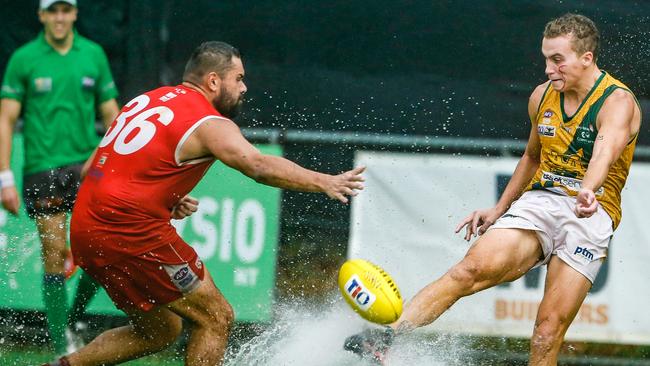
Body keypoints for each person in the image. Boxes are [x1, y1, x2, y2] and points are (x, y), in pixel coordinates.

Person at [41, 41, 365, 366]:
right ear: (213, 81)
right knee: (216, 317)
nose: (244, 87)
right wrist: (326, 181)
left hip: (86, 230)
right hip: (128, 232)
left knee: (161, 330)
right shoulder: (208, 121)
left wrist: (161, 194)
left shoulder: (145, 100)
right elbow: (257, 165)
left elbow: (92, 169)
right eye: (238, 78)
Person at [344, 13, 641, 366]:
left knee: (546, 334)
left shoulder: (616, 101)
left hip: (590, 212)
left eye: (557, 60)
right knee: (469, 270)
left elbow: (603, 156)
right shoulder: (541, 97)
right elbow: (532, 157)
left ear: (586, 58)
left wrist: (588, 191)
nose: (548, 69)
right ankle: (389, 335)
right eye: (546, 58)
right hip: (542, 202)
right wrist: (499, 207)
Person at [0, 0, 120, 355]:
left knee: (101, 252)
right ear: (41, 16)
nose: (59, 18)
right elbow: (6, 119)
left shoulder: (94, 54)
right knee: (53, 253)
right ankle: (61, 345)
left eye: (65, 10)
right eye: (53, 11)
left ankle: (75, 317)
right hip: (42, 167)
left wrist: (123, 160)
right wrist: (4, 177)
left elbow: (111, 111)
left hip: (87, 166)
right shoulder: (23, 58)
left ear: (75, 14)